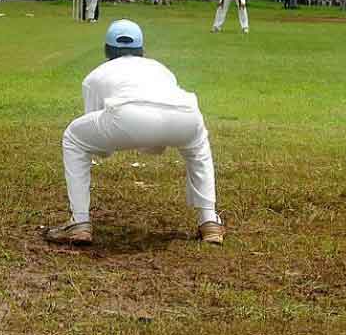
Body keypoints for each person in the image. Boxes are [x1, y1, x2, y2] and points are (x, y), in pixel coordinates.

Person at [42, 20, 225, 245]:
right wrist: (149, 141)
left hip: (127, 116)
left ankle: (79, 222)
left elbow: (100, 146)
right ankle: (209, 221)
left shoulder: (95, 76)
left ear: (107, 51)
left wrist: (129, 140)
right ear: (142, 50)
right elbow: (158, 125)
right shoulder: (160, 68)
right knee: (198, 147)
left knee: (73, 137)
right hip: (186, 115)